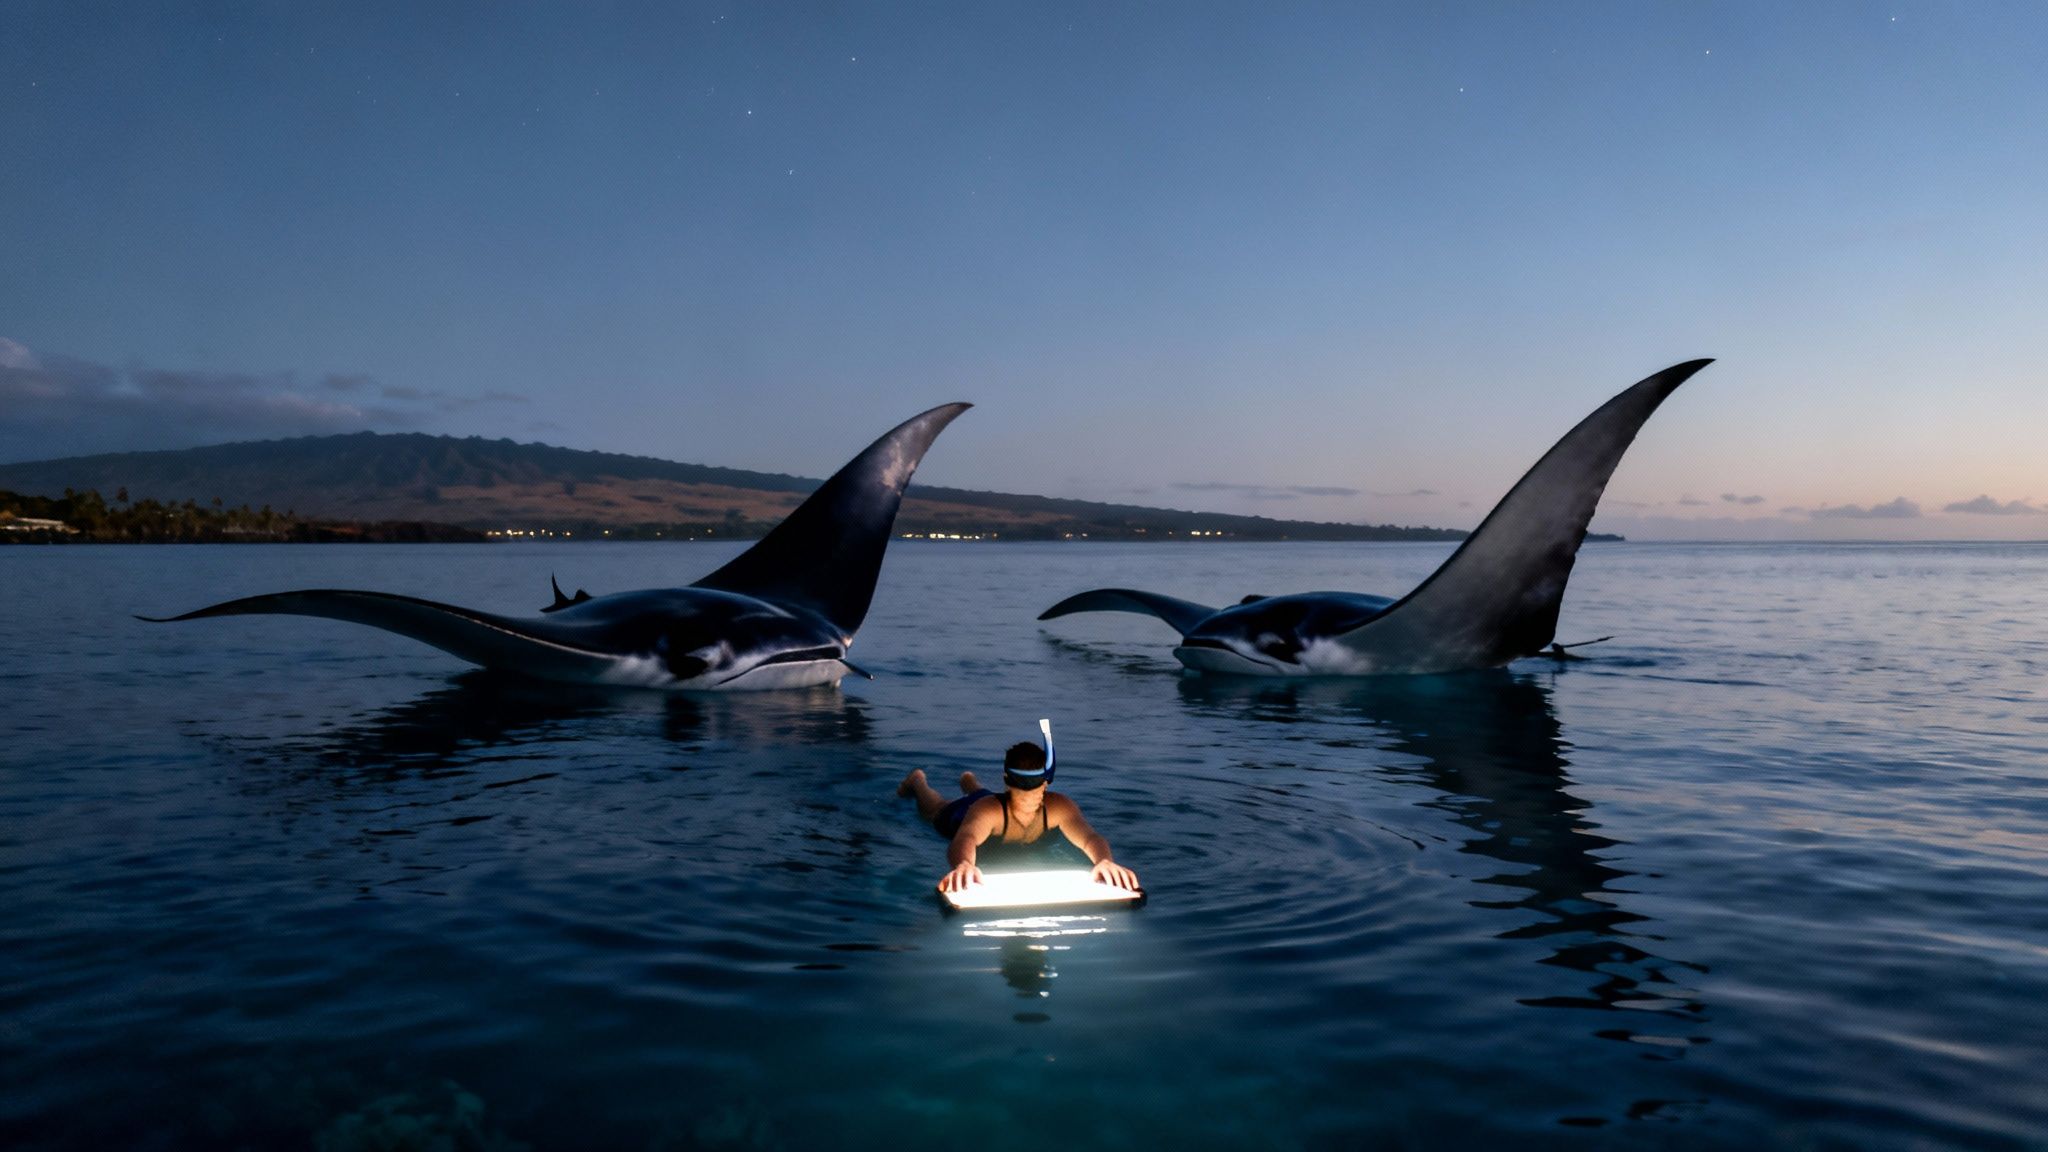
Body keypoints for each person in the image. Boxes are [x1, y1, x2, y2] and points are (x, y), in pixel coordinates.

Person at [897, 741, 1140, 894]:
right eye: (1020, 788)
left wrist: (1104, 861)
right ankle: (918, 781)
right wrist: (964, 864)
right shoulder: (987, 811)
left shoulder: (1059, 807)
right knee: (935, 808)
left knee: (981, 794)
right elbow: (965, 838)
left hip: (990, 799)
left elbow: (1090, 838)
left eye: (1033, 789)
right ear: (1006, 782)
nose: (1027, 797)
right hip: (960, 816)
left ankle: (968, 781)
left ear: (1045, 784)